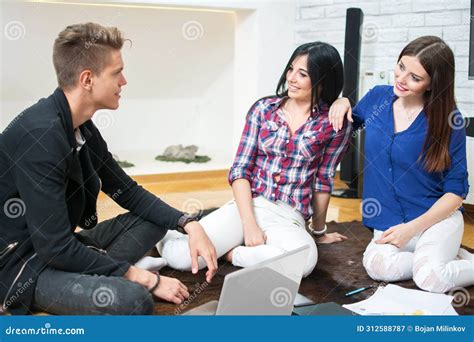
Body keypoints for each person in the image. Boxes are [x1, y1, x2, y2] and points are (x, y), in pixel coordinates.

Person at [0, 22, 218, 315]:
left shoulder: (81, 126)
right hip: (22, 267)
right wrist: (145, 279)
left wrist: (188, 223)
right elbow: (53, 248)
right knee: (134, 299)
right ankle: (101, 273)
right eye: (117, 72)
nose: (124, 81)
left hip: (58, 248)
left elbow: (126, 190)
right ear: (87, 79)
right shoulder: (41, 136)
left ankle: (92, 269)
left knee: (154, 219)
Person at [157, 42, 351, 277]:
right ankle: (162, 229)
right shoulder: (263, 109)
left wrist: (319, 233)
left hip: (288, 217)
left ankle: (232, 254)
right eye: (291, 69)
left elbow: (323, 181)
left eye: (302, 74)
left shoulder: (334, 123)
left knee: (304, 262)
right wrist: (249, 225)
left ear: (322, 81)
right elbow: (240, 169)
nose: (291, 78)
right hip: (247, 206)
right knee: (180, 257)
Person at [328, 36, 474, 293]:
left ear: (433, 84)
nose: (401, 79)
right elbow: (352, 118)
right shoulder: (378, 98)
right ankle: (437, 260)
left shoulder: (450, 120)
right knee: (377, 266)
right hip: (389, 221)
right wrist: (343, 100)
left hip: (434, 220)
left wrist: (413, 229)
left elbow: (456, 192)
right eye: (401, 66)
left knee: (432, 280)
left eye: (415, 78)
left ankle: (433, 263)